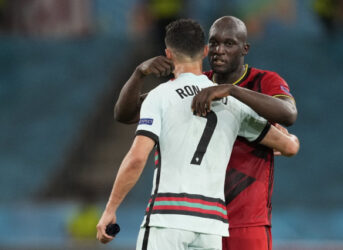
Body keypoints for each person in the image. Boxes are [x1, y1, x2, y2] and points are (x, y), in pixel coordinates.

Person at [96, 19, 299, 250]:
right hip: (213, 220)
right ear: (205, 50)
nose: (219, 50)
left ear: (245, 49)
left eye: (229, 44)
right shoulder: (223, 101)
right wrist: (139, 73)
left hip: (238, 220)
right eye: (214, 43)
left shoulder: (261, 83)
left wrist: (233, 90)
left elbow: (289, 115)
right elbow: (126, 113)